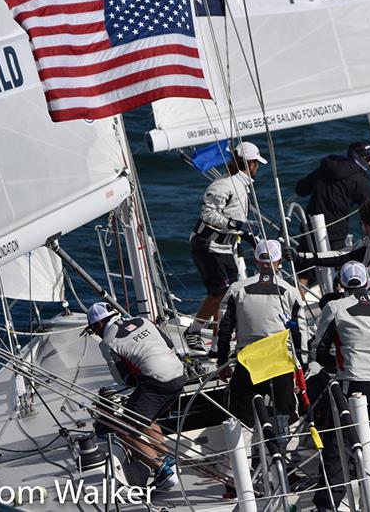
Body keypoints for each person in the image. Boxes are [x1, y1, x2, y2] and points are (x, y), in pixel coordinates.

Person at [311, 261, 370, 512]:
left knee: (336, 442)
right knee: (368, 439)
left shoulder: (336, 307)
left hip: (352, 383)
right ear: (365, 284)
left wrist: (331, 367)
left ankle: (328, 503)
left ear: (341, 284)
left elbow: (319, 348)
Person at [87, 302, 185, 490]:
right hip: (179, 375)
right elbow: (169, 344)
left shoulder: (107, 341)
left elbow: (123, 379)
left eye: (93, 329)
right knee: (145, 418)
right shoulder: (142, 320)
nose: (95, 333)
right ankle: (165, 458)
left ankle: (163, 472)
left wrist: (138, 377)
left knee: (124, 429)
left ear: (99, 324)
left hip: (157, 382)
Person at [211, 239, 308, 427]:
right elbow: (300, 332)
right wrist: (301, 366)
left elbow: (224, 329)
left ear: (255, 260)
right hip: (280, 362)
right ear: (280, 261)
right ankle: (286, 452)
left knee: (240, 420)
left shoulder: (237, 289)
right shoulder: (291, 291)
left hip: (248, 362)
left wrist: (222, 362)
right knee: (288, 418)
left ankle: (245, 454)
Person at [288, 199, 370, 330]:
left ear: (365, 224)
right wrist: (301, 257)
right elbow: (342, 255)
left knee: (339, 304)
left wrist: (343, 276)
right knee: (327, 301)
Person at [185, 142, 267, 354]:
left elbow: (235, 217)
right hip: (207, 245)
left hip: (224, 247)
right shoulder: (224, 185)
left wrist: (247, 234)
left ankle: (216, 344)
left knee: (228, 294)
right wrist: (235, 225)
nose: (257, 168)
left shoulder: (241, 186)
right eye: (256, 164)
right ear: (250, 164)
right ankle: (193, 331)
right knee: (220, 292)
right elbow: (207, 214)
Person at [295, 141, 370, 251]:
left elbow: (300, 189)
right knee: (335, 265)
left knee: (303, 263)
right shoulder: (359, 179)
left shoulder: (325, 168)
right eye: (368, 159)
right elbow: (369, 208)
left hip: (310, 229)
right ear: (358, 158)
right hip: (336, 233)